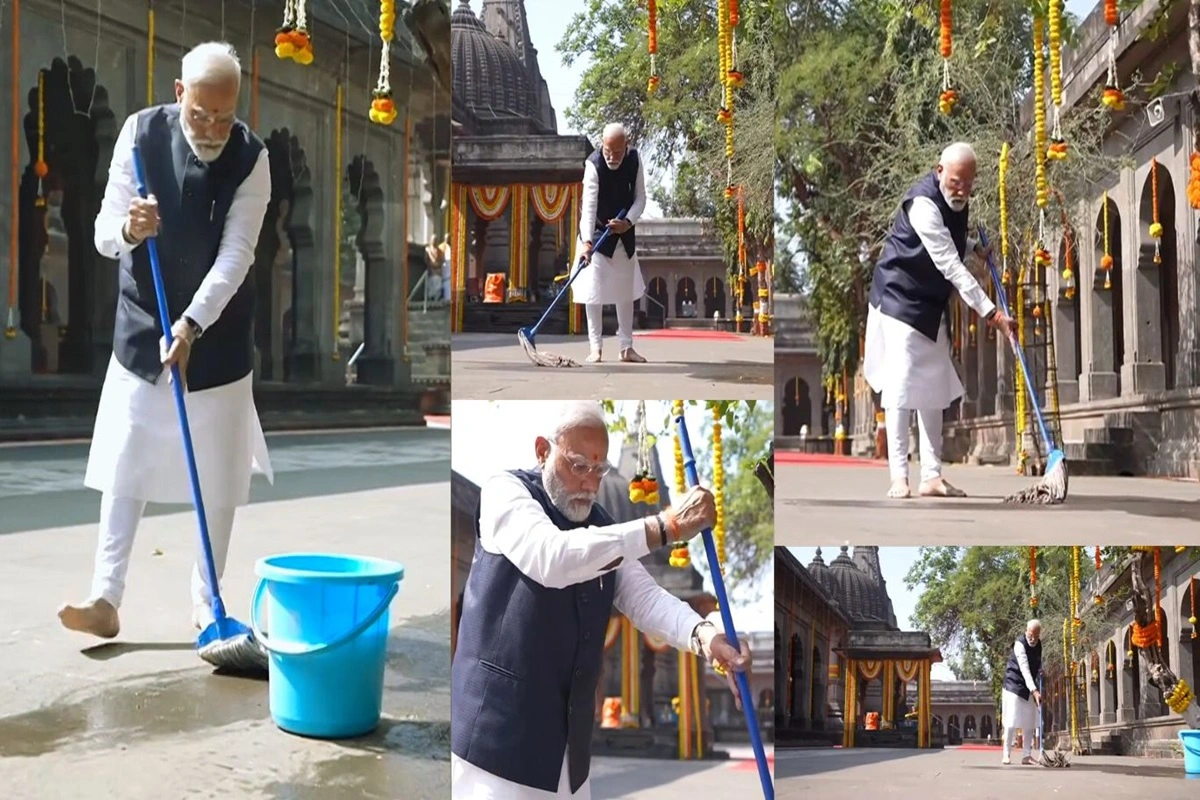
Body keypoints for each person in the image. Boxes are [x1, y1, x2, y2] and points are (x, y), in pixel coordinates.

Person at [58, 42, 273, 639]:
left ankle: (209, 607)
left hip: (217, 336)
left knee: (220, 477)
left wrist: (192, 325)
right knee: (127, 461)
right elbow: (105, 231)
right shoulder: (139, 133)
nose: (210, 130)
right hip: (142, 325)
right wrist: (129, 226)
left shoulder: (253, 159)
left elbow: (237, 255)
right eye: (200, 114)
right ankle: (105, 597)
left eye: (223, 119)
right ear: (180, 94)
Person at [451, 402, 752, 799]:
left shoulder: (601, 524)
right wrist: (666, 526)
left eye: (599, 470)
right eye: (578, 466)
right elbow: (552, 557)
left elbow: (646, 599)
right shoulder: (505, 494)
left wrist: (708, 638)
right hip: (495, 747)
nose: (590, 484)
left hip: (567, 756)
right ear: (543, 450)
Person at [863, 142, 1016, 500]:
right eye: (956, 181)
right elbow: (948, 263)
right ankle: (898, 475)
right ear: (939, 171)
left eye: (968, 182)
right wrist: (991, 313)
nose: (962, 189)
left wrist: (974, 249)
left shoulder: (959, 204)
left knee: (932, 387)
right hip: (899, 298)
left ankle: (932, 476)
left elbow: (952, 245)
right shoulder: (923, 205)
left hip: (930, 304)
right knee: (901, 387)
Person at [572, 122, 648, 364]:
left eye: (617, 152)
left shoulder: (635, 160)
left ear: (626, 146)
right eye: (607, 151)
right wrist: (586, 243)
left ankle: (626, 347)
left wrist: (628, 221)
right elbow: (588, 208)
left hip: (623, 234)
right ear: (601, 145)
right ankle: (595, 347)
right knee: (593, 292)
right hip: (595, 236)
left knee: (624, 293)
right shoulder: (593, 165)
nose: (612, 157)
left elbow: (641, 198)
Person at [1001, 619, 1043, 765]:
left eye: (1036, 636)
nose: (1033, 639)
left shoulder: (1039, 645)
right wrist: (1035, 690)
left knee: (1030, 720)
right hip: (1013, 684)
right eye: (1031, 635)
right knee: (1011, 721)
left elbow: (1036, 663)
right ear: (1026, 631)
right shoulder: (1019, 644)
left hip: (1029, 686)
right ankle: (1006, 754)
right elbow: (1024, 669)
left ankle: (1026, 755)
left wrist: (1040, 670)